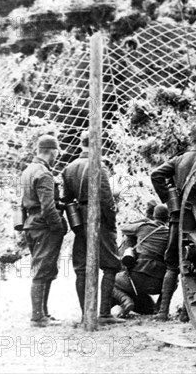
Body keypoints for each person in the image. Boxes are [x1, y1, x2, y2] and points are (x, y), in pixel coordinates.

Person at [61, 131, 124, 324]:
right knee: (111, 265)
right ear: (98, 144)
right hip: (99, 220)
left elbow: (66, 200)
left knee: (81, 268)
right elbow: (107, 198)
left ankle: (85, 314)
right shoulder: (99, 166)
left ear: (81, 144)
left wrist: (76, 223)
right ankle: (104, 314)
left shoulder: (69, 168)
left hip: (79, 222)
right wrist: (112, 223)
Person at [150, 125, 196, 320]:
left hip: (178, 218)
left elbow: (156, 175)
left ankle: (162, 312)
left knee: (172, 264)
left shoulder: (179, 159)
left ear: (192, 140)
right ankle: (187, 313)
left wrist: (170, 200)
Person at [20, 135, 67, 327]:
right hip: (44, 227)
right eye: (56, 153)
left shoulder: (27, 171)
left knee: (45, 269)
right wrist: (59, 227)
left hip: (32, 225)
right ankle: (37, 317)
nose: (56, 156)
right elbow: (48, 208)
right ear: (52, 151)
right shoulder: (44, 173)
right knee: (42, 271)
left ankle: (43, 314)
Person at [113, 204, 170, 317]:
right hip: (160, 283)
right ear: (167, 219)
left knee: (110, 281)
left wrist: (143, 221)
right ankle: (159, 307)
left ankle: (125, 301)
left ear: (154, 216)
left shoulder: (144, 226)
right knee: (174, 282)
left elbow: (123, 227)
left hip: (136, 278)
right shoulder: (170, 233)